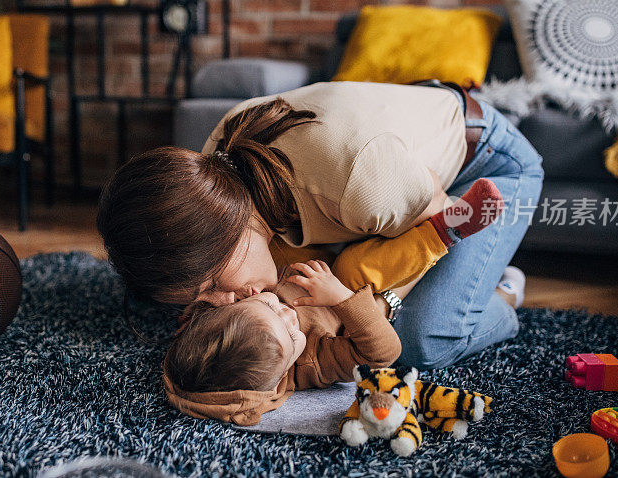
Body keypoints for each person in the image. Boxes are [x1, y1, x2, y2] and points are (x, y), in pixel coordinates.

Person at [97, 81, 544, 369]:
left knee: (419, 340)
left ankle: (502, 292)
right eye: (198, 300)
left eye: (213, 284)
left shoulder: (361, 182)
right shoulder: (214, 171)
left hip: (481, 172)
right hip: (385, 174)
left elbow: (445, 225)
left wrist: (365, 307)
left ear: (224, 225)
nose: (220, 304)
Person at [163, 181, 502, 425]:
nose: (287, 314)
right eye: (291, 333)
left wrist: (198, 316)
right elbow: (383, 354)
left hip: (306, 263)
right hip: (348, 290)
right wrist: (341, 298)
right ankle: (449, 228)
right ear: (280, 377)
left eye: (266, 307)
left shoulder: (228, 326)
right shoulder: (312, 363)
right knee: (358, 269)